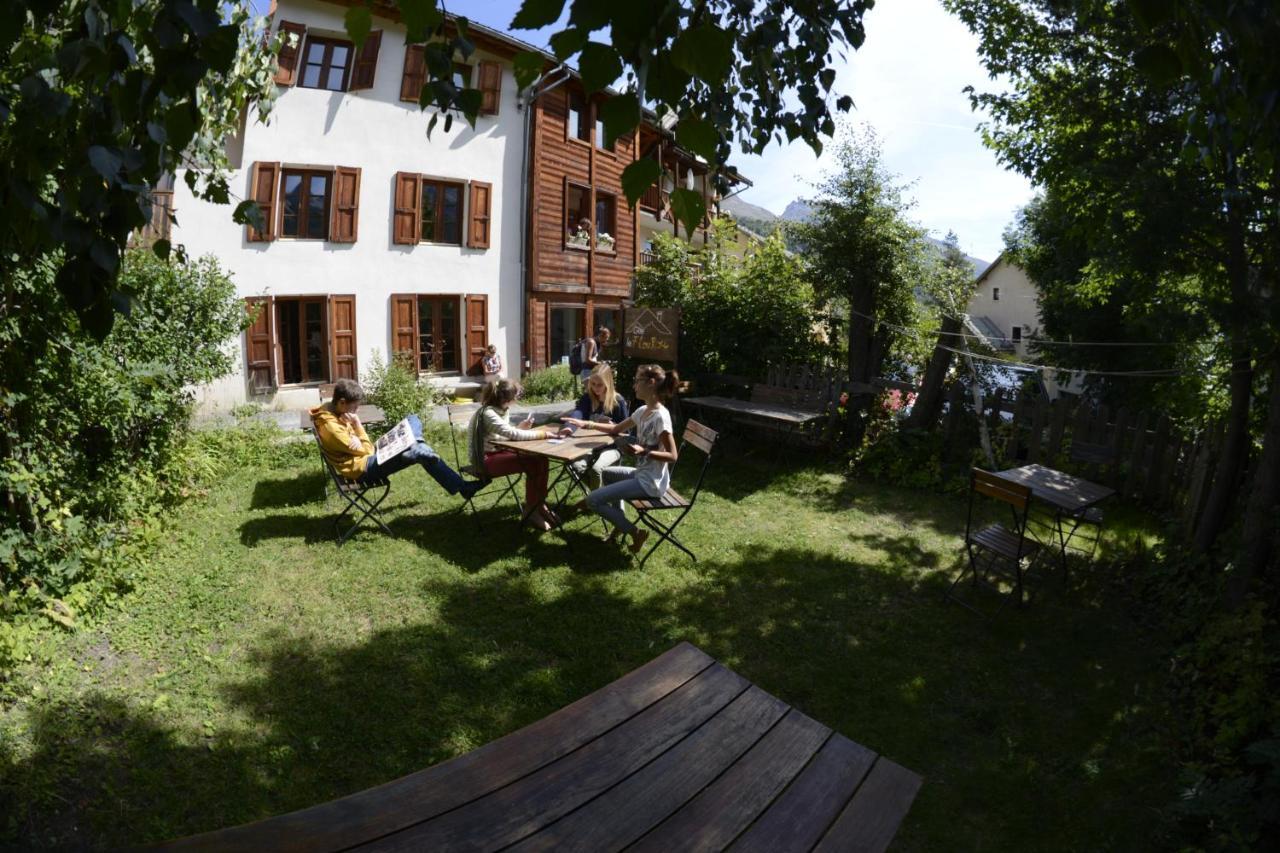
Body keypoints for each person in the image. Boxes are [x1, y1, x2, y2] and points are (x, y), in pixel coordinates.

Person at [561, 364, 680, 553]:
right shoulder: (642, 411)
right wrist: (586, 423)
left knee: (592, 500)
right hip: (641, 474)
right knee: (606, 474)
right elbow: (616, 430)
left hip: (651, 483)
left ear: (650, 384)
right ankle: (620, 525)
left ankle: (635, 532)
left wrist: (644, 452)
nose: (634, 386)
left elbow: (673, 455)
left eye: (637, 381)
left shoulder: (660, 417)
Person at [311, 379, 481, 498]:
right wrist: (356, 425)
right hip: (363, 468)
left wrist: (355, 435)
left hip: (365, 455)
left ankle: (416, 446)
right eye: (354, 407)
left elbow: (364, 446)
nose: (356, 410)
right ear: (341, 402)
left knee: (412, 419)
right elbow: (368, 450)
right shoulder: (332, 429)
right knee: (424, 456)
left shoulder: (330, 408)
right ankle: (462, 487)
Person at [467, 378, 559, 531]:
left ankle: (539, 504)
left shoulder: (501, 410)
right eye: (516, 397)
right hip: (484, 461)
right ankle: (531, 510)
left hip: (498, 452)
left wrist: (520, 427)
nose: (516, 399)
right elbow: (510, 433)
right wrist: (544, 434)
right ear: (506, 399)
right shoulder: (488, 413)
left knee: (541, 458)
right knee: (533, 462)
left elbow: (504, 433)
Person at [557, 363, 631, 488]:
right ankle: (596, 496)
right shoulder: (588, 398)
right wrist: (569, 427)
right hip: (588, 445)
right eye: (593, 384)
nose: (596, 388)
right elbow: (578, 414)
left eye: (600, 385)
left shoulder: (618, 401)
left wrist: (612, 426)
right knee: (573, 465)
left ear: (608, 383)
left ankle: (595, 500)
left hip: (612, 447)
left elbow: (626, 432)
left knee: (596, 469)